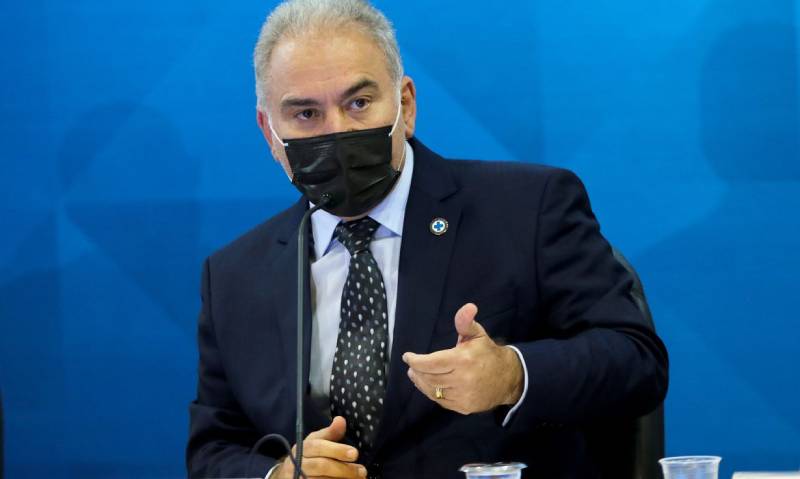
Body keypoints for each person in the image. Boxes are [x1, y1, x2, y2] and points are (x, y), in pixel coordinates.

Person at [186, 1, 669, 478]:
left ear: (406, 104)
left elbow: (636, 361)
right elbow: (213, 448)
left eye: (359, 103)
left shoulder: (528, 208)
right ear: (269, 132)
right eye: (307, 114)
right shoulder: (234, 277)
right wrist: (278, 475)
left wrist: (511, 374)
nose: (337, 131)